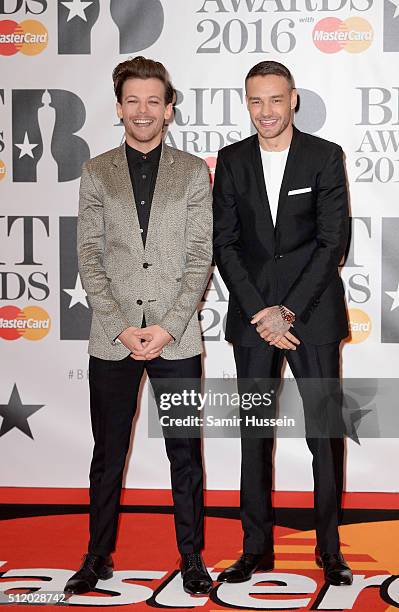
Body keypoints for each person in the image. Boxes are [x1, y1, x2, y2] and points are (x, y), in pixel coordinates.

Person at [64, 57, 213, 596]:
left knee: (185, 452)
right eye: (133, 101)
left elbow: (200, 256)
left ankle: (192, 558)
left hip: (177, 340)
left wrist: (169, 327)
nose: (143, 111)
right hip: (113, 338)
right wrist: (123, 326)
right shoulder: (96, 172)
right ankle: (97, 555)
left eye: (154, 100)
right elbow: (89, 256)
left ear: (169, 109)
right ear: (119, 107)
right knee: (106, 455)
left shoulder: (194, 172)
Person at [213, 60, 352, 586]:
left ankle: (331, 549)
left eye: (275, 99)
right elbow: (223, 243)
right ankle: (255, 548)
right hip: (252, 321)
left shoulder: (324, 156)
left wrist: (287, 311)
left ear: (293, 99)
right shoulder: (230, 161)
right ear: (246, 103)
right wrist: (259, 311)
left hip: (311, 319)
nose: (266, 111)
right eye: (255, 101)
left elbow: (330, 241)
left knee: (324, 435)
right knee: (254, 435)